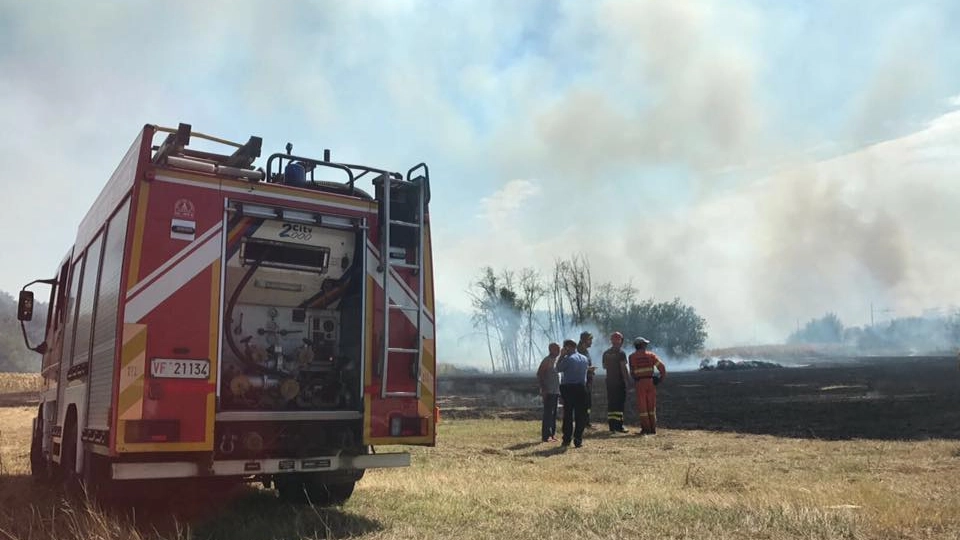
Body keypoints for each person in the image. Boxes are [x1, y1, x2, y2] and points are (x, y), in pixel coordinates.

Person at [628, 337, 666, 435]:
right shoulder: (651, 355)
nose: (646, 346)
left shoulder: (632, 357)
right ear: (642, 345)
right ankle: (653, 429)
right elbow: (662, 368)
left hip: (640, 383)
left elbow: (632, 372)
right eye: (645, 344)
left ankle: (646, 429)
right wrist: (660, 379)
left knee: (643, 408)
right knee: (651, 407)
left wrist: (635, 379)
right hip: (650, 382)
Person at [556, 339, 590, 448]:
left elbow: (557, 369)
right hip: (582, 388)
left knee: (568, 415)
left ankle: (566, 439)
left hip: (569, 389)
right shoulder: (584, 358)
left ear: (567, 347)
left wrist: (561, 356)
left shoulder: (568, 359)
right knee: (581, 415)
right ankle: (578, 439)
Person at [601, 331, 630, 433]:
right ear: (620, 341)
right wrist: (627, 380)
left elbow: (604, 367)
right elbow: (623, 367)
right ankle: (619, 426)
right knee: (619, 403)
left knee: (611, 403)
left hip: (609, 381)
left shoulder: (606, 353)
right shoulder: (621, 353)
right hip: (619, 382)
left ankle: (612, 426)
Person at [537, 342, 561, 442]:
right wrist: (544, 388)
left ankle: (552, 434)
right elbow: (539, 374)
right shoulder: (547, 360)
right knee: (548, 413)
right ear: (551, 350)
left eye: (559, 349)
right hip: (549, 391)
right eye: (557, 349)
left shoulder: (556, 361)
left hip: (556, 391)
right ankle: (546, 436)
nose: (559, 351)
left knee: (554, 414)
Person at [577, 331, 595, 428]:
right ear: (585, 340)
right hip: (582, 381)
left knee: (588, 402)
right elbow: (577, 366)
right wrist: (589, 369)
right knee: (583, 402)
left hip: (588, 380)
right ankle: (582, 422)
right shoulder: (579, 351)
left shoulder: (585, 351)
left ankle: (586, 421)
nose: (591, 342)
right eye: (590, 340)